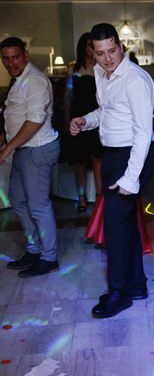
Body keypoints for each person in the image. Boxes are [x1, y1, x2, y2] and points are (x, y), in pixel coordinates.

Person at [70, 23, 154, 318]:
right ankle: (136, 285)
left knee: (116, 227)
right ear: (92, 53)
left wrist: (131, 178)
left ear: (120, 46)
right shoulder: (100, 73)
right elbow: (107, 111)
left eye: (112, 51)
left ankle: (119, 292)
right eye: (100, 53)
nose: (107, 59)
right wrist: (85, 120)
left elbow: (144, 132)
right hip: (112, 153)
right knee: (125, 224)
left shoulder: (134, 79)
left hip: (133, 154)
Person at [1, 37, 61, 277]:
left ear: (25, 55)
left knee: (38, 206)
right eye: (6, 58)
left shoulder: (35, 80)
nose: (11, 62)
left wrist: (7, 149)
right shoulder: (19, 79)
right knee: (17, 199)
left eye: (15, 57)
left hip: (37, 148)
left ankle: (49, 257)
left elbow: (35, 121)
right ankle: (35, 248)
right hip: (24, 149)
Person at [65, 32, 103, 212]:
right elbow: (68, 96)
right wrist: (66, 119)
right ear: (82, 47)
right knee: (79, 160)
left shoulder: (101, 67)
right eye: (87, 45)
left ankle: (99, 197)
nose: (90, 49)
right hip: (78, 115)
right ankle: (81, 198)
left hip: (96, 116)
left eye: (92, 45)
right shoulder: (73, 69)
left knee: (98, 158)